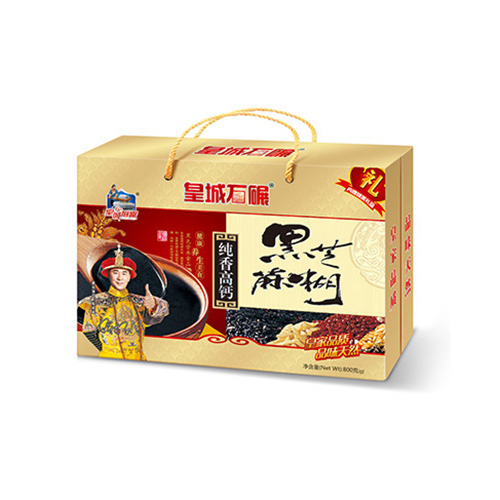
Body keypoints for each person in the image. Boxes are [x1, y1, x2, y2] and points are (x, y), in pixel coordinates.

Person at [78, 245, 169, 360]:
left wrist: (154, 305)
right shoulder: (96, 302)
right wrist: (107, 349)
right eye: (115, 272)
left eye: (124, 273)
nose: (119, 278)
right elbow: (89, 330)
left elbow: (153, 318)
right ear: (108, 275)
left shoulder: (138, 302)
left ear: (129, 277)